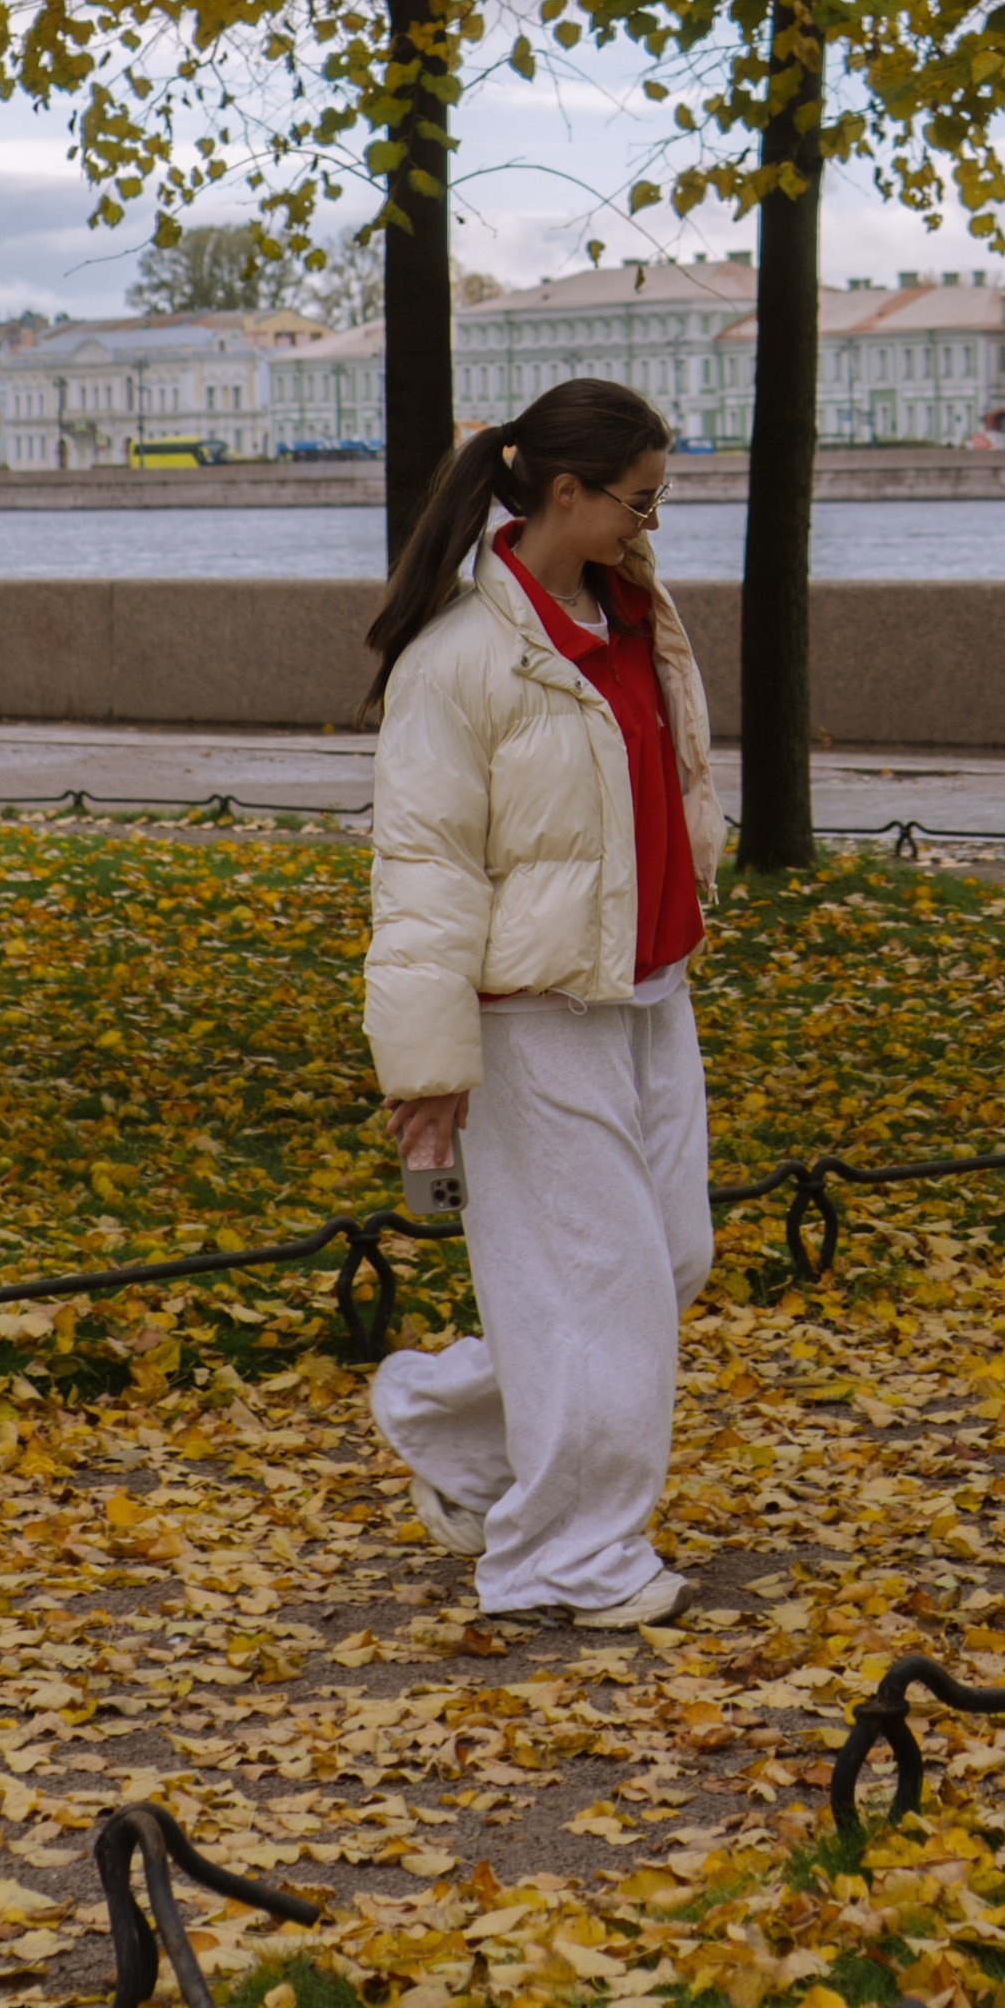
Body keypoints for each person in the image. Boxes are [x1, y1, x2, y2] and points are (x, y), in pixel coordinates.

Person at [360, 377, 721, 1625]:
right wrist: (427, 1076)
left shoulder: (632, 613)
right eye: (637, 501)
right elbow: (423, 878)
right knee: (603, 1295)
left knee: (664, 1263)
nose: (651, 524)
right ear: (564, 494)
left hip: (648, 990)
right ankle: (565, 1562)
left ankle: (452, 1432)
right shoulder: (459, 662)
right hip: (532, 1014)